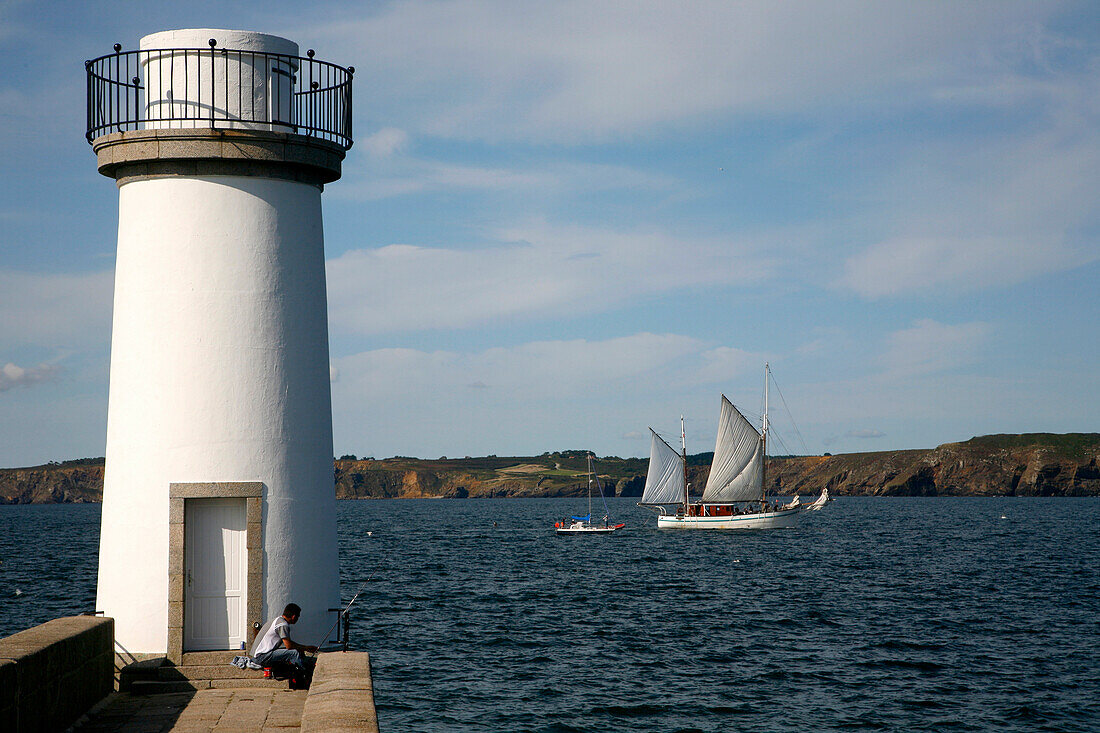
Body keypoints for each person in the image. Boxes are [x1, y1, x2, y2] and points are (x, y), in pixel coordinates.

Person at [250, 603, 317, 682]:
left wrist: (303, 648)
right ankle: (304, 675)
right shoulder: (283, 624)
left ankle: (305, 663)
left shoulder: (278, 620)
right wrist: (306, 648)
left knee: (296, 650)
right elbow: (289, 646)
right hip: (261, 657)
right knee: (294, 653)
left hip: (258, 655)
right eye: (298, 617)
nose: (297, 619)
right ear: (293, 616)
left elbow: (288, 643)